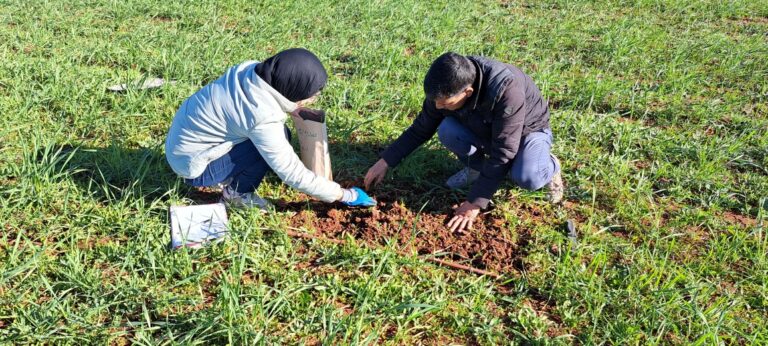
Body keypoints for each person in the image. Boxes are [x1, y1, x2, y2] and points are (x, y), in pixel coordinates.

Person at [364, 52, 563, 232]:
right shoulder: (445, 86)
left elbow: (504, 150)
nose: (437, 106)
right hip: (484, 124)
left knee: (527, 178)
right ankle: (475, 168)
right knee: (447, 130)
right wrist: (385, 161)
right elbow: (420, 129)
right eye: (435, 101)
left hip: (526, 131)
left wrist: (475, 202)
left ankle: (550, 166)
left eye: (444, 103)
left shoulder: (506, 90)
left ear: (467, 92)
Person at [165, 48, 375, 210]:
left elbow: (251, 107)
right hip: (193, 167)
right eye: (309, 94)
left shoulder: (250, 70)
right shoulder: (262, 118)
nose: (311, 99)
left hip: (183, 145)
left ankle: (227, 175)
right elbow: (292, 173)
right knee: (273, 142)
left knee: (278, 135)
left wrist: (291, 106)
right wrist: (344, 195)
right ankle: (236, 195)